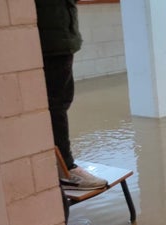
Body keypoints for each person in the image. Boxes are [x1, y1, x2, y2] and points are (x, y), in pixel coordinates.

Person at [35, 0, 107, 190]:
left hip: (57, 38)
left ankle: (60, 165)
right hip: (52, 42)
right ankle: (65, 169)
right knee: (56, 106)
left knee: (57, 105)